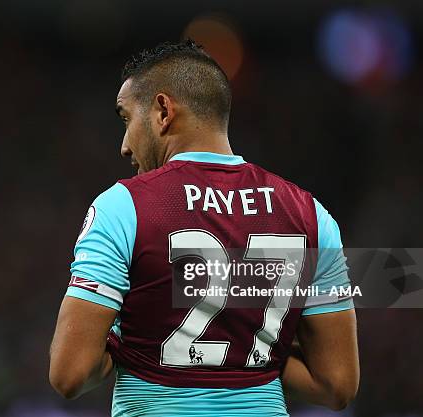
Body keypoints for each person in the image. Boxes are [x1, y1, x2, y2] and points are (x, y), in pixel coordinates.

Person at [49, 40, 359, 416]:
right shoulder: (311, 215)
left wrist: (128, 344)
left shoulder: (122, 208)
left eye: (126, 119)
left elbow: (70, 375)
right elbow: (337, 384)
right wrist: (251, 352)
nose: (125, 146)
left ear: (163, 111)